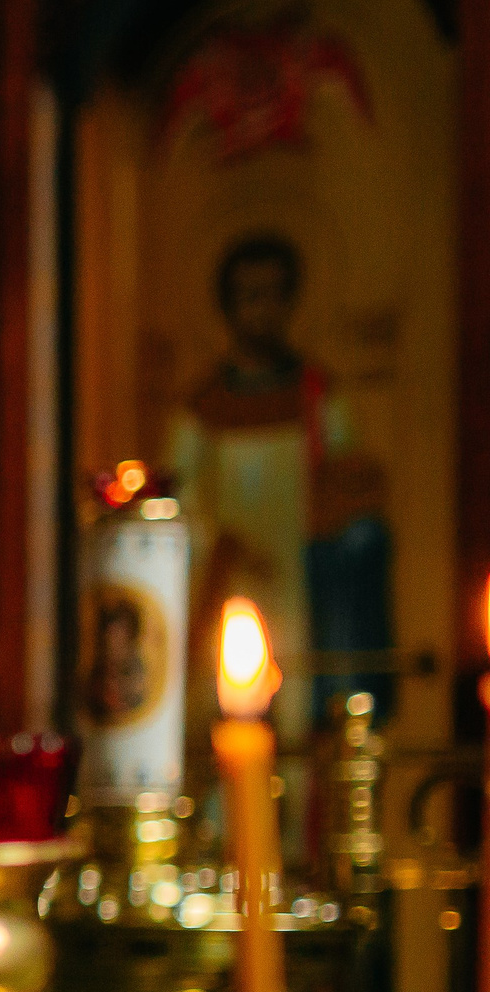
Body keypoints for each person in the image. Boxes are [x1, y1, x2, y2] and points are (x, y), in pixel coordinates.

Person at [164, 231, 392, 741]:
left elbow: (344, 480)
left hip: (303, 578)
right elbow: (176, 497)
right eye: (250, 296)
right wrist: (223, 542)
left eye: (275, 294)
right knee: (228, 718)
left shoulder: (316, 395)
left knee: (303, 715)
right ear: (227, 307)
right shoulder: (204, 405)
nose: (263, 310)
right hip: (228, 574)